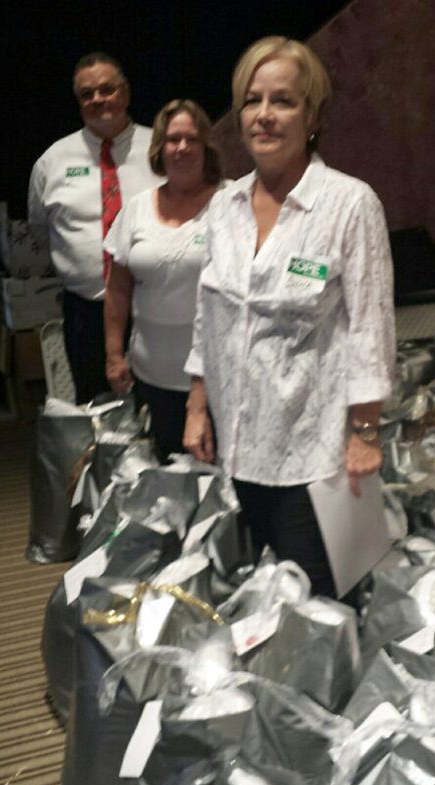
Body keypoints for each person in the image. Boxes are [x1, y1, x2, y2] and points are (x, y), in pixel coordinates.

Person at [183, 36, 396, 597]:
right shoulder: (224, 207)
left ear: (313, 116)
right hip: (238, 442)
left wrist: (365, 432)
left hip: (312, 453)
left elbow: (371, 328)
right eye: (252, 100)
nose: (264, 115)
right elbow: (209, 314)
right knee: (262, 589)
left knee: (319, 602)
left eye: (283, 101)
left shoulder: (350, 205)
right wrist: (197, 405)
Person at [28, 52, 156, 404]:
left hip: (155, 307)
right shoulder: (52, 161)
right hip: (87, 313)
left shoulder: (162, 148)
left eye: (107, 89)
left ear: (125, 93)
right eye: (87, 94)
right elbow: (41, 230)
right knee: (95, 409)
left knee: (158, 406)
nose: (98, 99)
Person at [104, 99, 223, 460]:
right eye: (173, 139)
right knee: (167, 479)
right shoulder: (137, 208)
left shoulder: (232, 201)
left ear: (206, 146)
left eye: (191, 139)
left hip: (219, 379)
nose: (182, 147)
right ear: (159, 148)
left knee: (220, 479)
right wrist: (114, 355)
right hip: (151, 376)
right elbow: (118, 287)